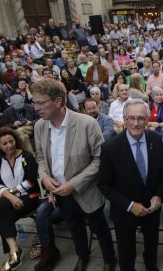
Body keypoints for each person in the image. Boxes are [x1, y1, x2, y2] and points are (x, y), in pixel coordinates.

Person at [31, 78, 116, 271]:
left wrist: (74, 184)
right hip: (60, 193)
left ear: (59, 101)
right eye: (34, 102)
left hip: (87, 191)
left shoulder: (87, 124)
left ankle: (109, 259)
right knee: (75, 228)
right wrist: (44, 177)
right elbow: (41, 158)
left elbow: (99, 160)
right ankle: (82, 256)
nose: (36, 108)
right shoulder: (40, 126)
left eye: (40, 102)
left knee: (100, 228)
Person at [98, 99, 163, 271]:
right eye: (131, 118)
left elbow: (161, 174)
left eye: (141, 118)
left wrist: (159, 195)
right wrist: (129, 205)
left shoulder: (157, 140)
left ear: (147, 119)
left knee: (152, 242)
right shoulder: (110, 148)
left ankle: (151, 264)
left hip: (152, 208)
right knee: (126, 250)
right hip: (124, 210)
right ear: (125, 119)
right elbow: (104, 185)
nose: (136, 123)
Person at [0, 127, 40, 271]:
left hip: (30, 197)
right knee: (1, 209)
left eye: (11, 141)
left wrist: (9, 192)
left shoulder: (27, 156)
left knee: (0, 217)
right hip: (10, 201)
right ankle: (14, 250)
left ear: (16, 140)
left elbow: (31, 181)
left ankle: (13, 253)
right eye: (4, 143)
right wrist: (12, 197)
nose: (9, 145)